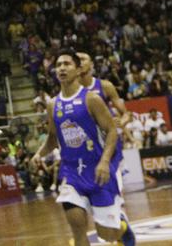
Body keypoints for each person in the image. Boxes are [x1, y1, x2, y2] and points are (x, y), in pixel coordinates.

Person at [31, 48, 131, 246]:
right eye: (58, 65)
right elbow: (53, 138)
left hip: (98, 170)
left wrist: (104, 161)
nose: (61, 68)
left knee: (107, 235)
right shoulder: (53, 104)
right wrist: (39, 154)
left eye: (67, 64)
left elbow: (112, 131)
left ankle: (121, 226)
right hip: (71, 172)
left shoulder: (91, 99)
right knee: (77, 225)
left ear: (78, 70)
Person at [76, 52, 135, 243]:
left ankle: (119, 227)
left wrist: (120, 123)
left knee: (111, 190)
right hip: (85, 152)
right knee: (93, 196)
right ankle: (117, 225)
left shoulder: (104, 86)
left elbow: (126, 114)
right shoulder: (70, 94)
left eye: (83, 58)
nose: (80, 62)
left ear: (91, 64)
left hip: (109, 148)